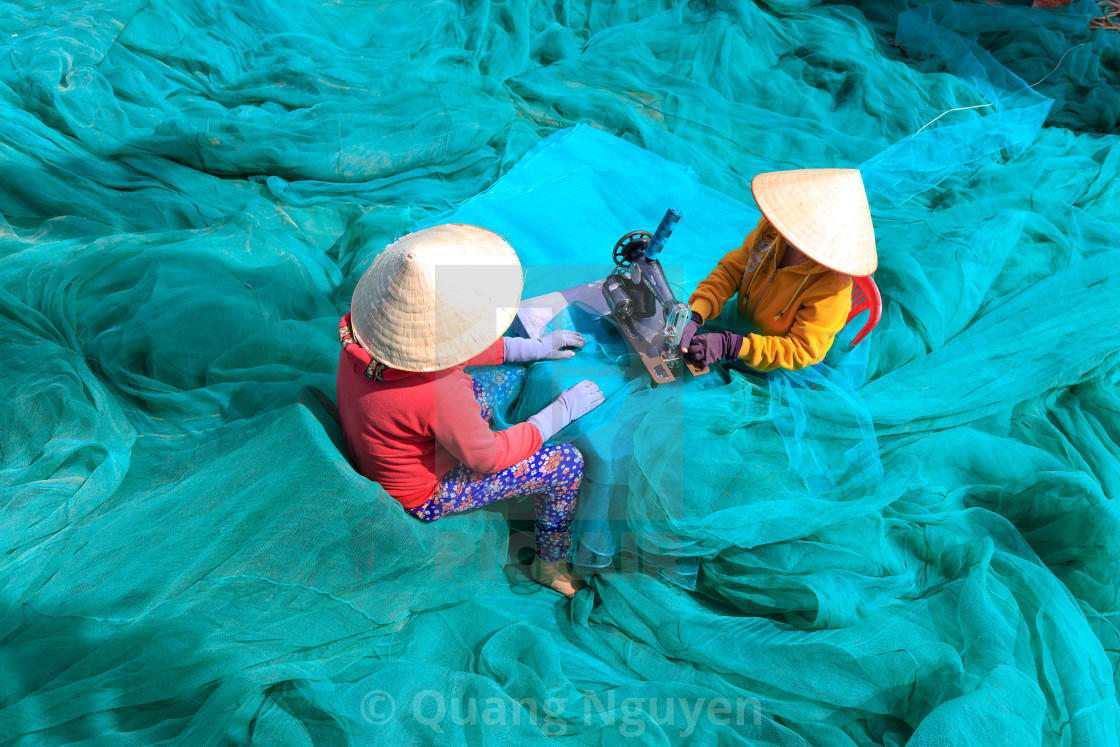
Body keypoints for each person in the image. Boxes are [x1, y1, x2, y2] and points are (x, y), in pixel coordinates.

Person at [336, 223, 605, 598]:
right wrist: (557, 413)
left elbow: (438, 347)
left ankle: (490, 431)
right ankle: (549, 564)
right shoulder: (437, 389)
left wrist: (528, 348)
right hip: (423, 491)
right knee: (566, 464)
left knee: (483, 388)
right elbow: (487, 457)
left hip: (385, 445)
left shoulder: (364, 330)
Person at [681, 169, 878, 373]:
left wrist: (735, 346)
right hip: (742, 322)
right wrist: (697, 313)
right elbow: (732, 271)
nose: (786, 228)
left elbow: (801, 350)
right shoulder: (772, 231)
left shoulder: (832, 288)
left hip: (780, 363)